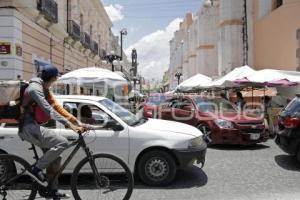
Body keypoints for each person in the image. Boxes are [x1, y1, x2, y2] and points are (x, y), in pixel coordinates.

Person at [18, 64, 85, 200]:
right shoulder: (35, 89)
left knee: (56, 157)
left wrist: (77, 122)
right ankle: (35, 169)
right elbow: (49, 110)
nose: (55, 81)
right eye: (56, 79)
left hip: (34, 127)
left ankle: (51, 190)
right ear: (53, 78)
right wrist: (68, 125)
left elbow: (58, 108)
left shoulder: (44, 89)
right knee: (63, 142)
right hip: (28, 128)